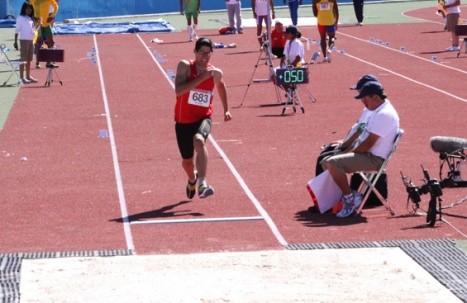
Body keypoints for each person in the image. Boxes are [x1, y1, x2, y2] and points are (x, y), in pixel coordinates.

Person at [320, 81, 400, 218]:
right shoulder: (376, 110)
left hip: (373, 159)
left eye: (365, 98)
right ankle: (337, 198)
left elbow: (368, 143)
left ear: (375, 97)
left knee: (333, 163)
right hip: (367, 154)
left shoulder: (384, 115)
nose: (363, 102)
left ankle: (350, 199)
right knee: (325, 161)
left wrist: (349, 153)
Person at [174, 37, 232, 199]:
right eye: (201, 53)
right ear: (195, 52)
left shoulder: (215, 72)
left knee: (199, 140)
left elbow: (221, 85)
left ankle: (202, 183)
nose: (205, 56)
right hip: (183, 121)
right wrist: (201, 77)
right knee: (187, 162)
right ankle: (192, 179)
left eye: (208, 53)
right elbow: (179, 91)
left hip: (203, 117)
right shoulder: (185, 66)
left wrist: (226, 109)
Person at [315, 74, 379, 176]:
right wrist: (341, 142)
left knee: (323, 159)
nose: (358, 93)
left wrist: (343, 146)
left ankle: (326, 190)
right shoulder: (368, 109)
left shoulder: (371, 112)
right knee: (325, 154)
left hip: (355, 148)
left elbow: (359, 133)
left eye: (359, 90)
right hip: (352, 145)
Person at [14, 2, 37, 84]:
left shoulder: (30, 19)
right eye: (27, 8)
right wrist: (15, 41)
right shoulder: (20, 18)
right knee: (23, 59)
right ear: (24, 9)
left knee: (29, 59)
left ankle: (28, 76)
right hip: (24, 40)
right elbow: (17, 30)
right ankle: (21, 77)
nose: (29, 10)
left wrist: (38, 25)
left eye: (30, 9)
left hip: (31, 40)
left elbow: (33, 30)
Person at [30, 0, 59, 68]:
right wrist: (33, 17)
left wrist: (52, 16)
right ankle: (37, 62)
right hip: (38, 24)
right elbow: (28, 8)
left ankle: (49, 62)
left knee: (51, 42)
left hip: (46, 24)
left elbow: (56, 6)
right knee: (39, 42)